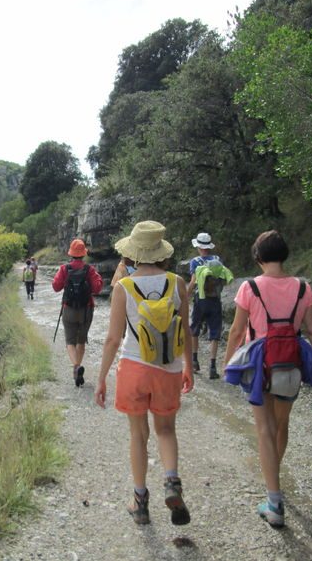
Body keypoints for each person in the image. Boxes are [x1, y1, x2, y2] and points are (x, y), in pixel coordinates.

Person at [222, 230, 312, 528]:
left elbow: (236, 331)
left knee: (264, 429)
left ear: (257, 257)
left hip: (260, 363)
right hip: (291, 362)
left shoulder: (249, 287)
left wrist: (227, 362)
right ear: (284, 254)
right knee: (281, 424)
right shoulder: (303, 287)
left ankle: (273, 501)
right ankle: (274, 482)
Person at [95, 221, 194, 526]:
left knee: (138, 435)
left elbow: (113, 338)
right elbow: (186, 331)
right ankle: (172, 481)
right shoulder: (177, 283)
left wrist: (100, 378)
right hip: (169, 368)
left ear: (135, 254)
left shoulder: (124, 286)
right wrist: (189, 365)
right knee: (166, 430)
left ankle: (140, 502)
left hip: (134, 367)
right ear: (161, 252)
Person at [52, 239, 103, 387]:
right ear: (83, 254)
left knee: (70, 341)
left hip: (68, 310)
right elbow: (97, 288)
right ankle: (77, 368)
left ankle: (76, 367)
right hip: (86, 310)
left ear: (71, 253)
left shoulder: (64, 269)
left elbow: (56, 287)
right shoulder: (90, 269)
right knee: (81, 341)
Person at [187, 232, 232, 379]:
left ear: (199, 247)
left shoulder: (195, 261)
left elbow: (193, 281)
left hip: (200, 300)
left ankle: (194, 361)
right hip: (215, 300)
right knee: (215, 332)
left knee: (194, 329)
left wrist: (186, 295)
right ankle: (212, 367)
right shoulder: (217, 260)